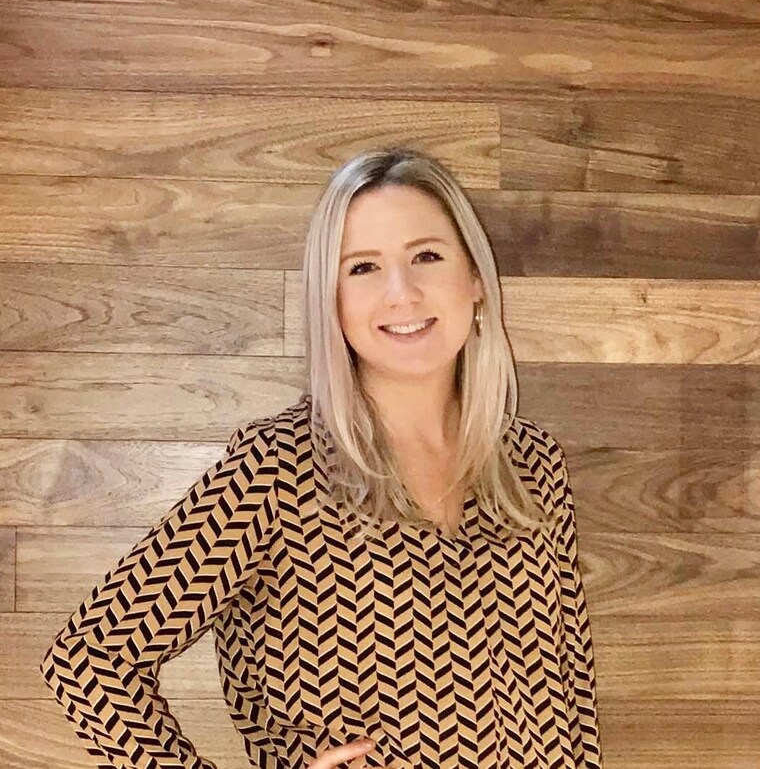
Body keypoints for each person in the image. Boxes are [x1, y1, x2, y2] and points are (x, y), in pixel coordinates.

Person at [40, 147, 604, 769]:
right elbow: (89, 659)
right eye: (362, 267)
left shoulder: (533, 462)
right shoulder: (277, 468)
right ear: (331, 301)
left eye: (426, 256)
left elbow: (572, 695)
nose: (402, 293)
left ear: (473, 278)